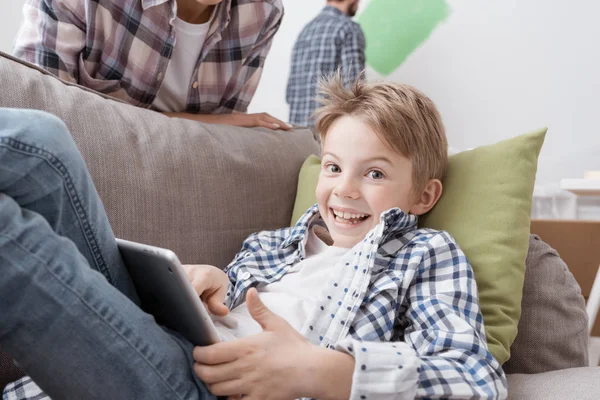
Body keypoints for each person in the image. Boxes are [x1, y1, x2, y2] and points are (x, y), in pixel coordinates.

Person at [1, 74, 507, 399]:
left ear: (423, 196)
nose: (344, 190)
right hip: (171, 345)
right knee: (42, 141)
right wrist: (207, 287)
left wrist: (319, 371)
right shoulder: (271, 246)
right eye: (332, 167)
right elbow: (218, 314)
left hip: (213, 389)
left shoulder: (424, 254)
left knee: (8, 238)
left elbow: (475, 380)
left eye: (374, 174)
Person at [13, 0, 291, 131]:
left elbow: (218, 140)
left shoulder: (262, 13)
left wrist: (218, 124)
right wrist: (207, 122)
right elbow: (37, 120)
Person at [286, 0, 365, 128]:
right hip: (327, 133)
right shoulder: (348, 28)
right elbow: (355, 91)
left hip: (298, 134)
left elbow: (290, 91)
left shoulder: (306, 30)